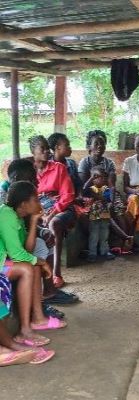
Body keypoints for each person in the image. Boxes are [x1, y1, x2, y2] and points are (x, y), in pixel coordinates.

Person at [0, 159, 78, 317]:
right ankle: (35, 307)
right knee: (32, 263)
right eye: (31, 178)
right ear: (16, 178)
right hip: (6, 255)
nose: (36, 181)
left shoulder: (21, 197)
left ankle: (48, 292)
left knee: (45, 238)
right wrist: (39, 261)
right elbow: (16, 250)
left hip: (18, 241)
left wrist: (37, 225)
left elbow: (25, 228)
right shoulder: (5, 201)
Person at [0, 181, 66, 352]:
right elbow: (17, 255)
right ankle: (24, 331)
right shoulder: (6, 215)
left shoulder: (18, 217)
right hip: (2, 264)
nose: (39, 203)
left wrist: (34, 221)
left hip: (5, 262)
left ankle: (37, 319)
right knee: (27, 268)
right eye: (35, 199)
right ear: (24, 204)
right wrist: (42, 262)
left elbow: (26, 250)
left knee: (33, 266)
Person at [30, 135, 76, 289]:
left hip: (61, 208)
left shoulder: (58, 168)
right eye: (42, 148)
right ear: (33, 152)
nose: (46, 151)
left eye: (47, 148)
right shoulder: (29, 171)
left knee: (54, 223)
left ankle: (56, 274)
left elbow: (67, 196)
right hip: (38, 210)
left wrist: (50, 214)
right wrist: (39, 214)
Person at [78, 130, 129, 247]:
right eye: (96, 143)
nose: (100, 146)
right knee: (95, 212)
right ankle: (102, 245)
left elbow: (111, 185)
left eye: (102, 143)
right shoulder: (84, 163)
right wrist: (99, 197)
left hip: (107, 193)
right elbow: (84, 187)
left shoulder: (109, 163)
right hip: (91, 195)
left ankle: (125, 243)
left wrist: (110, 200)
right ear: (89, 147)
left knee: (119, 209)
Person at [82, 166, 116, 262]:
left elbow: (107, 198)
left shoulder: (106, 189)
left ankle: (104, 251)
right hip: (93, 217)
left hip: (105, 216)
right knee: (94, 235)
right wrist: (91, 178)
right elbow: (84, 190)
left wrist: (103, 199)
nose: (102, 179)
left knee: (104, 235)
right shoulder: (90, 188)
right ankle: (92, 253)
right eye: (98, 177)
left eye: (104, 177)